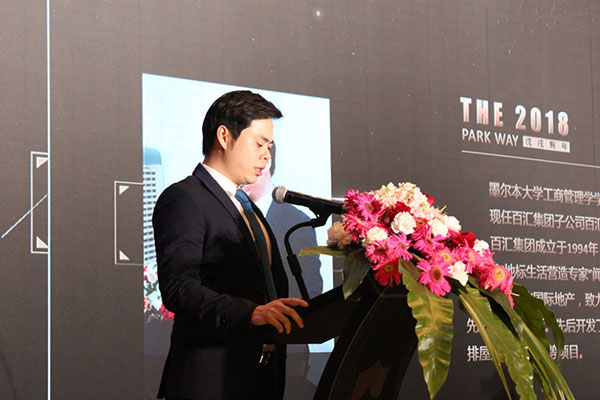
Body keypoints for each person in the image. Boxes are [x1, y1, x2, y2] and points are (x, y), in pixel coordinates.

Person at [153, 90, 308, 400]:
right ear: (224, 136)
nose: (267, 156)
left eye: (270, 147)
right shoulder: (185, 198)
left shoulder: (246, 206)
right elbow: (178, 287)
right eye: (259, 144)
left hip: (258, 379)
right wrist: (249, 313)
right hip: (211, 380)